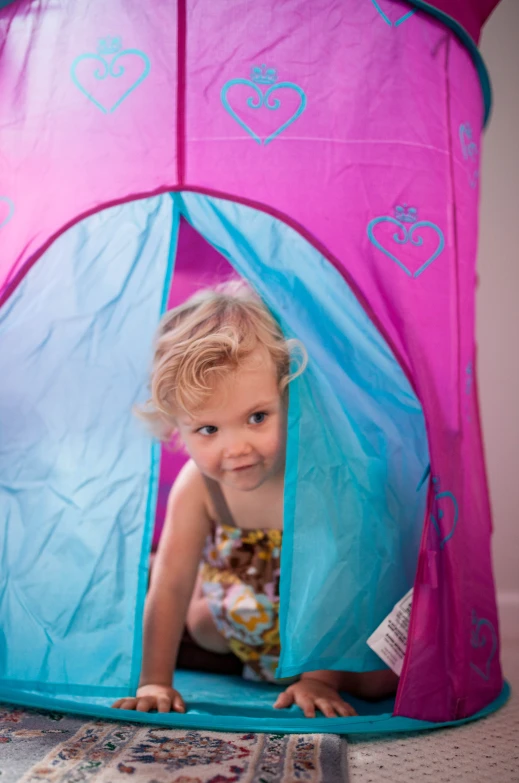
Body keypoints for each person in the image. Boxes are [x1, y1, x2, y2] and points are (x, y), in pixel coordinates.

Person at [112, 280, 397, 718]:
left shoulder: (316, 477)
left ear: (290, 396)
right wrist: (154, 681)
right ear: (177, 429)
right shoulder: (199, 485)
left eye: (257, 417)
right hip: (243, 616)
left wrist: (319, 680)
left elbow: (338, 587)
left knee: (381, 681)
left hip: (327, 621)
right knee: (198, 620)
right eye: (208, 429)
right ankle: (252, 661)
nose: (237, 448)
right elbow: (171, 585)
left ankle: (298, 672)